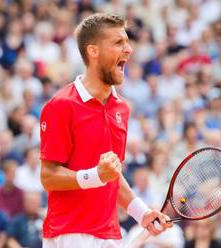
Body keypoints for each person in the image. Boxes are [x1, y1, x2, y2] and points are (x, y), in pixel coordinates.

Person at [40, 13, 172, 248]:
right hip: (69, 234)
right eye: (118, 42)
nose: (129, 50)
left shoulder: (121, 107)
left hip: (110, 235)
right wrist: (95, 176)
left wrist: (141, 213)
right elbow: (48, 177)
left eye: (127, 42)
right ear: (93, 51)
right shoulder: (61, 105)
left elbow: (112, 176)